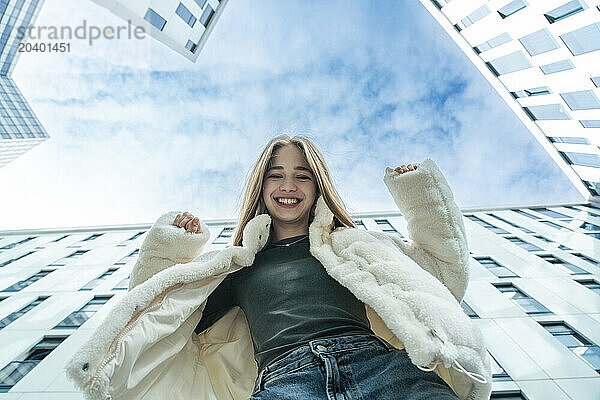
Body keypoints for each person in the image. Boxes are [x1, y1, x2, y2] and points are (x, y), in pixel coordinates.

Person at [66, 135, 492, 400]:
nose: (289, 186)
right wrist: (174, 247)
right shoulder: (236, 267)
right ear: (261, 186)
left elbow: (443, 276)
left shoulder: (359, 245)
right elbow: (152, 316)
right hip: (286, 382)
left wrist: (418, 193)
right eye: (276, 175)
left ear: (317, 185)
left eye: (302, 175)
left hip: (385, 371)